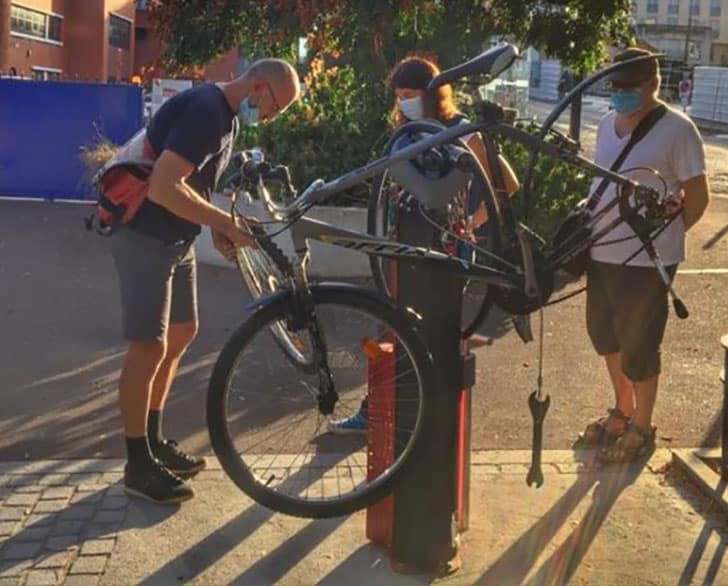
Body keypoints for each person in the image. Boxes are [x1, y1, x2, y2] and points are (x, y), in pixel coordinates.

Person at [112, 58, 300, 504]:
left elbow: (190, 182)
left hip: (174, 238)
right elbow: (162, 186)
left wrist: (215, 226)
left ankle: (152, 440)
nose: (270, 118)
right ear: (259, 87)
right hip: (145, 235)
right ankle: (137, 465)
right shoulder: (207, 112)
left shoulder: (224, 116)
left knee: (181, 332)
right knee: (149, 346)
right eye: (275, 107)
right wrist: (225, 223)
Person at [327, 55, 520, 435]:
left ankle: (411, 417)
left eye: (411, 94)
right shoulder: (407, 133)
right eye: (399, 96)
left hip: (445, 250)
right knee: (395, 326)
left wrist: (473, 222)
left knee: (426, 330)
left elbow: (507, 184)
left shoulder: (462, 131)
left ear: (433, 94)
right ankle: (390, 411)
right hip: (404, 244)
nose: (403, 103)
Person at [576, 48, 710, 463]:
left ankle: (642, 426)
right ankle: (623, 408)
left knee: (641, 343)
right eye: (614, 88)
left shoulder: (677, 130)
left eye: (628, 88)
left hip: (647, 260)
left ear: (653, 84)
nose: (620, 95)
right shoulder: (604, 125)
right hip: (602, 251)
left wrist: (666, 237)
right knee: (604, 334)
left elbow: (699, 196)